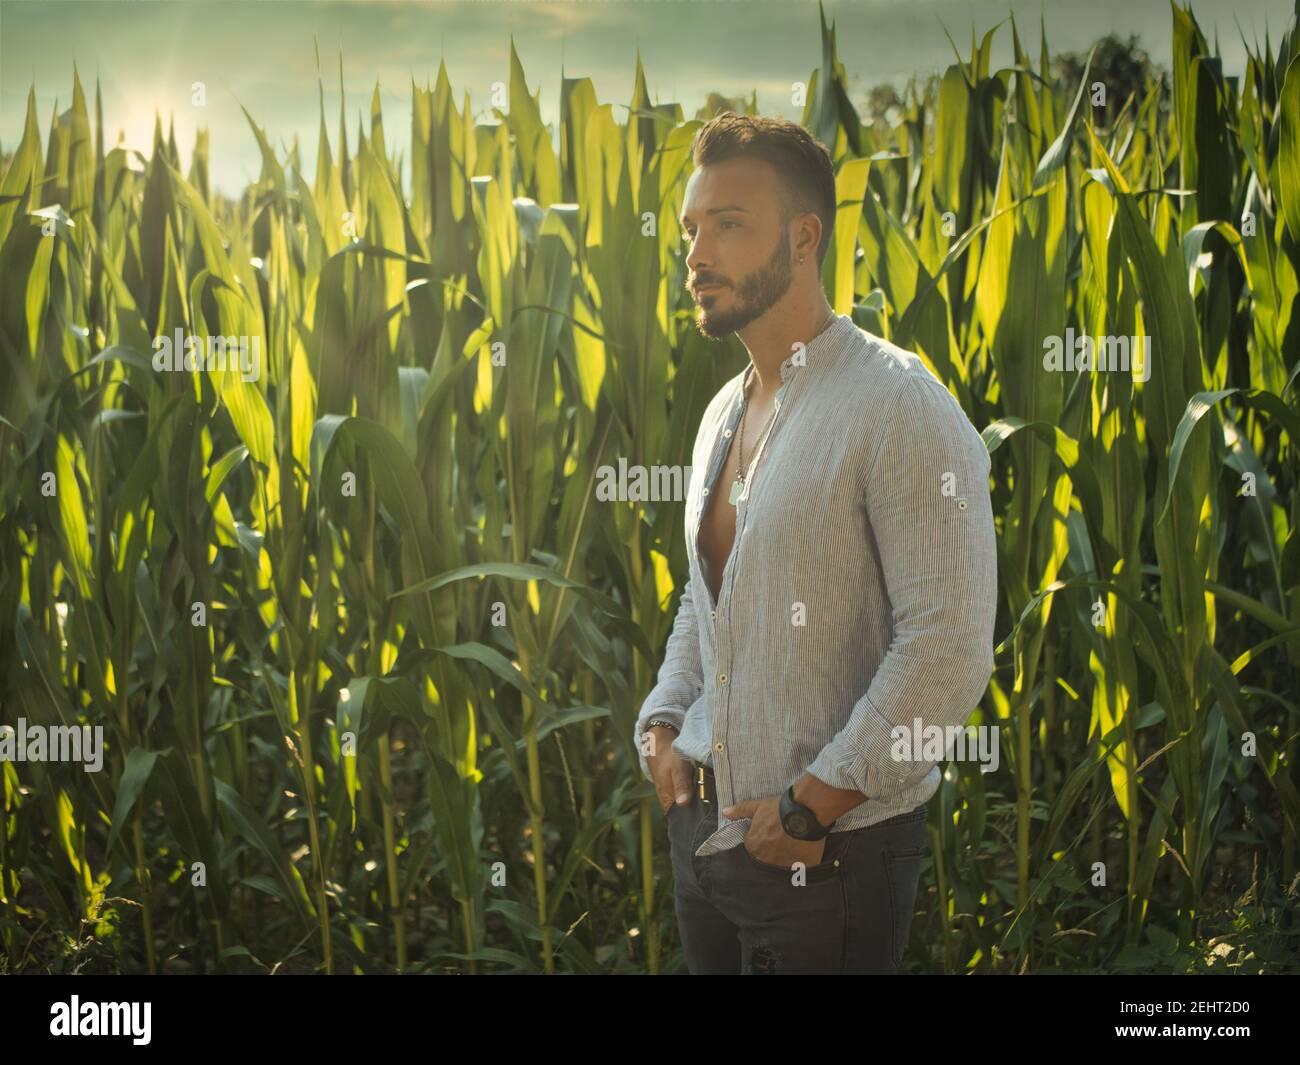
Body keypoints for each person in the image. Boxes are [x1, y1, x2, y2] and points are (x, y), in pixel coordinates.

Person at [634, 112, 998, 974]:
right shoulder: (724, 412)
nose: (695, 255)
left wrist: (810, 805)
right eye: (691, 228)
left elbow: (948, 645)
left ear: (805, 237)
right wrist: (662, 716)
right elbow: (707, 594)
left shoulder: (897, 404)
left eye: (729, 225)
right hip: (706, 843)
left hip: (828, 858)